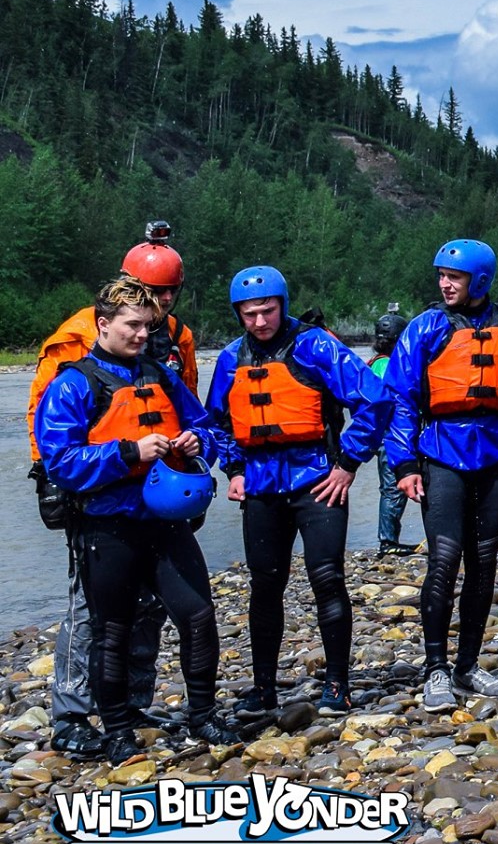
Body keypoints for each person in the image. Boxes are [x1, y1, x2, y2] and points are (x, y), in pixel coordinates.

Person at [33, 276, 240, 762]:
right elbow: (60, 462)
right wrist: (129, 451)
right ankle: (119, 730)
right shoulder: (73, 384)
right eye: (133, 326)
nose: (143, 334)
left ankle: (203, 714)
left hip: (165, 524)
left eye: (148, 326)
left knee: (199, 616)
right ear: (103, 324)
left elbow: (209, 430)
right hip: (108, 526)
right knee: (113, 629)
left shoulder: (162, 376)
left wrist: (197, 446)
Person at [29, 223, 194, 757]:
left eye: (170, 293)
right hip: (96, 488)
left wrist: (189, 461)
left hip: (156, 490)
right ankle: (73, 711)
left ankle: (131, 699)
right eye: (155, 293)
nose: (163, 304)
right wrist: (48, 480)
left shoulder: (174, 337)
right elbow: (48, 411)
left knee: (150, 605)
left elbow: (183, 399)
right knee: (91, 609)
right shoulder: (78, 336)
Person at [208, 266, 390, 716]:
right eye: (249, 314)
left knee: (326, 579)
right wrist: (232, 469)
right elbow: (216, 422)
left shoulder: (316, 345)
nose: (259, 323)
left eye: (267, 311)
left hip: (317, 482)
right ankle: (264, 688)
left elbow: (377, 399)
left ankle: (338, 684)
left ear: (282, 305)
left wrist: (348, 463)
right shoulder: (232, 358)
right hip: (261, 487)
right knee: (264, 586)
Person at [383, 239, 498, 712]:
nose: (444, 284)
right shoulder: (425, 329)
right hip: (441, 455)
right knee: (444, 559)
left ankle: (468, 665)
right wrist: (404, 464)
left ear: (479, 281)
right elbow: (399, 400)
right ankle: (435, 668)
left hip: (495, 456)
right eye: (441, 275)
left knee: (484, 561)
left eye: (453, 277)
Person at [369, 304, 420, 557]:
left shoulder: (376, 363)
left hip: (387, 435)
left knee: (392, 488)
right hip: (392, 437)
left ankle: (390, 539)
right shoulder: (387, 365)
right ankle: (388, 541)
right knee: (392, 489)